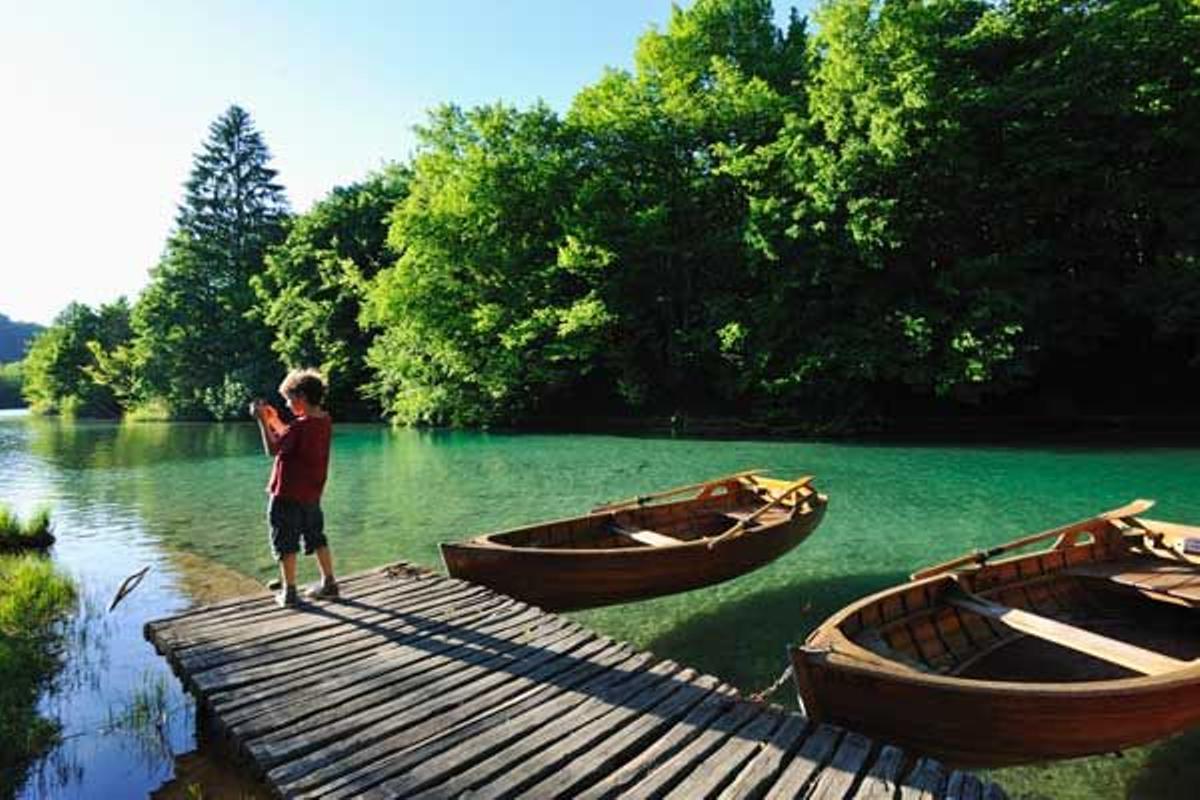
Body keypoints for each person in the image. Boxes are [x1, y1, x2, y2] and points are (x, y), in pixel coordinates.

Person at [249, 368, 338, 607]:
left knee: (285, 540)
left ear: (301, 397)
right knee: (316, 536)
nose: (287, 404)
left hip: (286, 494)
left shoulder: (300, 427)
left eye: (289, 399)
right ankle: (329, 583)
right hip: (311, 494)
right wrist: (273, 420)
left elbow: (273, 448)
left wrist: (261, 423)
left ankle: (289, 592)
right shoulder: (323, 422)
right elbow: (289, 436)